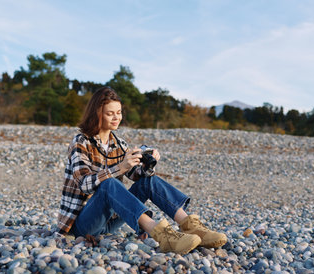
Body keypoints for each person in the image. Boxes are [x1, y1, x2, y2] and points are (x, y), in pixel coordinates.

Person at [57, 87, 227, 254]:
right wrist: (119, 168)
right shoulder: (80, 142)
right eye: (110, 113)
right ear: (97, 114)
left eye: (119, 112)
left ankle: (193, 228)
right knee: (110, 183)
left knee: (148, 181)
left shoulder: (119, 144)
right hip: (82, 224)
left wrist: (147, 165)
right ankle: (162, 235)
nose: (117, 118)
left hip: (111, 222)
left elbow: (136, 176)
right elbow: (85, 184)